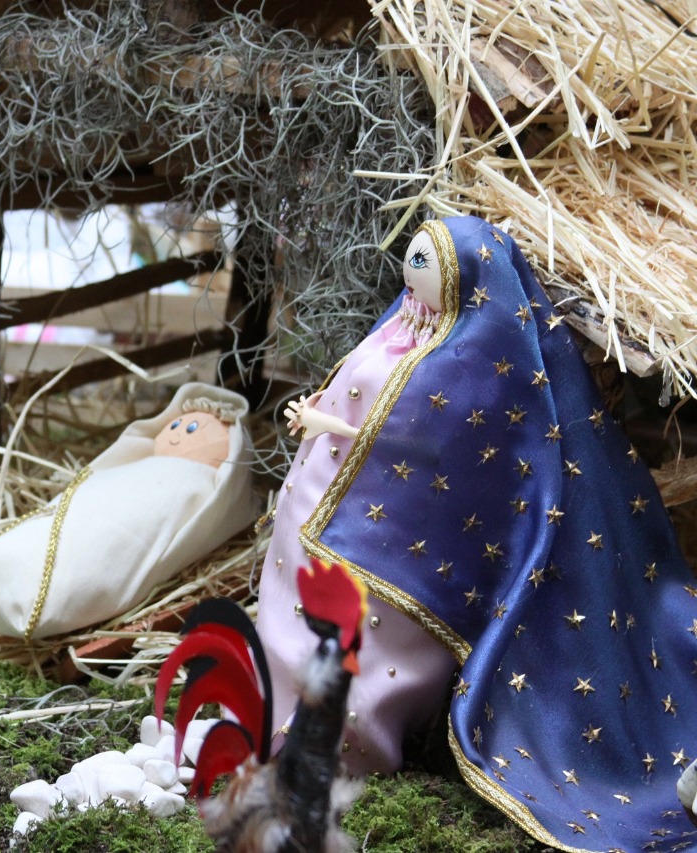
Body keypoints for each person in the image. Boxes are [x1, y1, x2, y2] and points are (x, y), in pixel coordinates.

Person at [259, 215, 697, 852]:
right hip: (321, 502)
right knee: (292, 611)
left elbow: (427, 448)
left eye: (427, 264)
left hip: (393, 540)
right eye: (413, 260)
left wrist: (339, 426)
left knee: (358, 639)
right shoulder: (399, 328)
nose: (412, 276)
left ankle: (335, 745)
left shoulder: (470, 368)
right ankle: (274, 716)